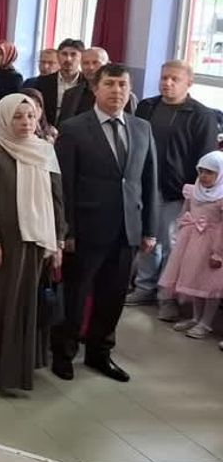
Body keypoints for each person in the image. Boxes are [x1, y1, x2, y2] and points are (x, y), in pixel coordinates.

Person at [52, 63, 157, 384]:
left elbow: (148, 181)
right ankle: (64, 353)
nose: (117, 91)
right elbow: (64, 185)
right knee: (76, 295)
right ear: (95, 89)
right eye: (110, 84)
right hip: (86, 229)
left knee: (113, 297)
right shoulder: (73, 128)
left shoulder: (141, 128)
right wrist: (66, 230)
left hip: (127, 229)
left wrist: (149, 229)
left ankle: (100, 353)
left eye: (123, 85)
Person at [0, 94, 65, 391]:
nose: (25, 122)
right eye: (17, 116)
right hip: (4, 241)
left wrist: (58, 239)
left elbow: (57, 197)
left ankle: (19, 365)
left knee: (26, 302)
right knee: (0, 302)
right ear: (4, 118)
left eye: (30, 116)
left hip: (37, 239)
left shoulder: (45, 150)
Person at [129, 61, 219, 315]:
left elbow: (205, 159)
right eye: (164, 78)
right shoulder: (147, 107)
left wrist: (194, 193)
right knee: (147, 239)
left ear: (189, 83)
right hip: (145, 185)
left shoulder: (202, 116)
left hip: (177, 190)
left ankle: (166, 295)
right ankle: (144, 286)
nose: (167, 83)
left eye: (174, 79)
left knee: (171, 244)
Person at [158, 151, 223, 340]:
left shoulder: (220, 197)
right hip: (192, 241)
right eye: (200, 171)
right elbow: (185, 214)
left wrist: (218, 252)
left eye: (209, 172)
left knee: (210, 285)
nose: (203, 176)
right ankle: (195, 317)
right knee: (195, 280)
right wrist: (180, 234)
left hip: (213, 244)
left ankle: (206, 322)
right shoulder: (193, 191)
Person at [59, 46, 136, 122]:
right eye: (86, 63)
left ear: (107, 64)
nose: (90, 67)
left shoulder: (123, 96)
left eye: (95, 62)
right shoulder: (71, 94)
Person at [24, 38, 84, 127]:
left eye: (73, 54)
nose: (68, 59)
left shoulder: (87, 83)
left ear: (81, 58)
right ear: (58, 56)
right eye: (64, 54)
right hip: (47, 130)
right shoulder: (42, 82)